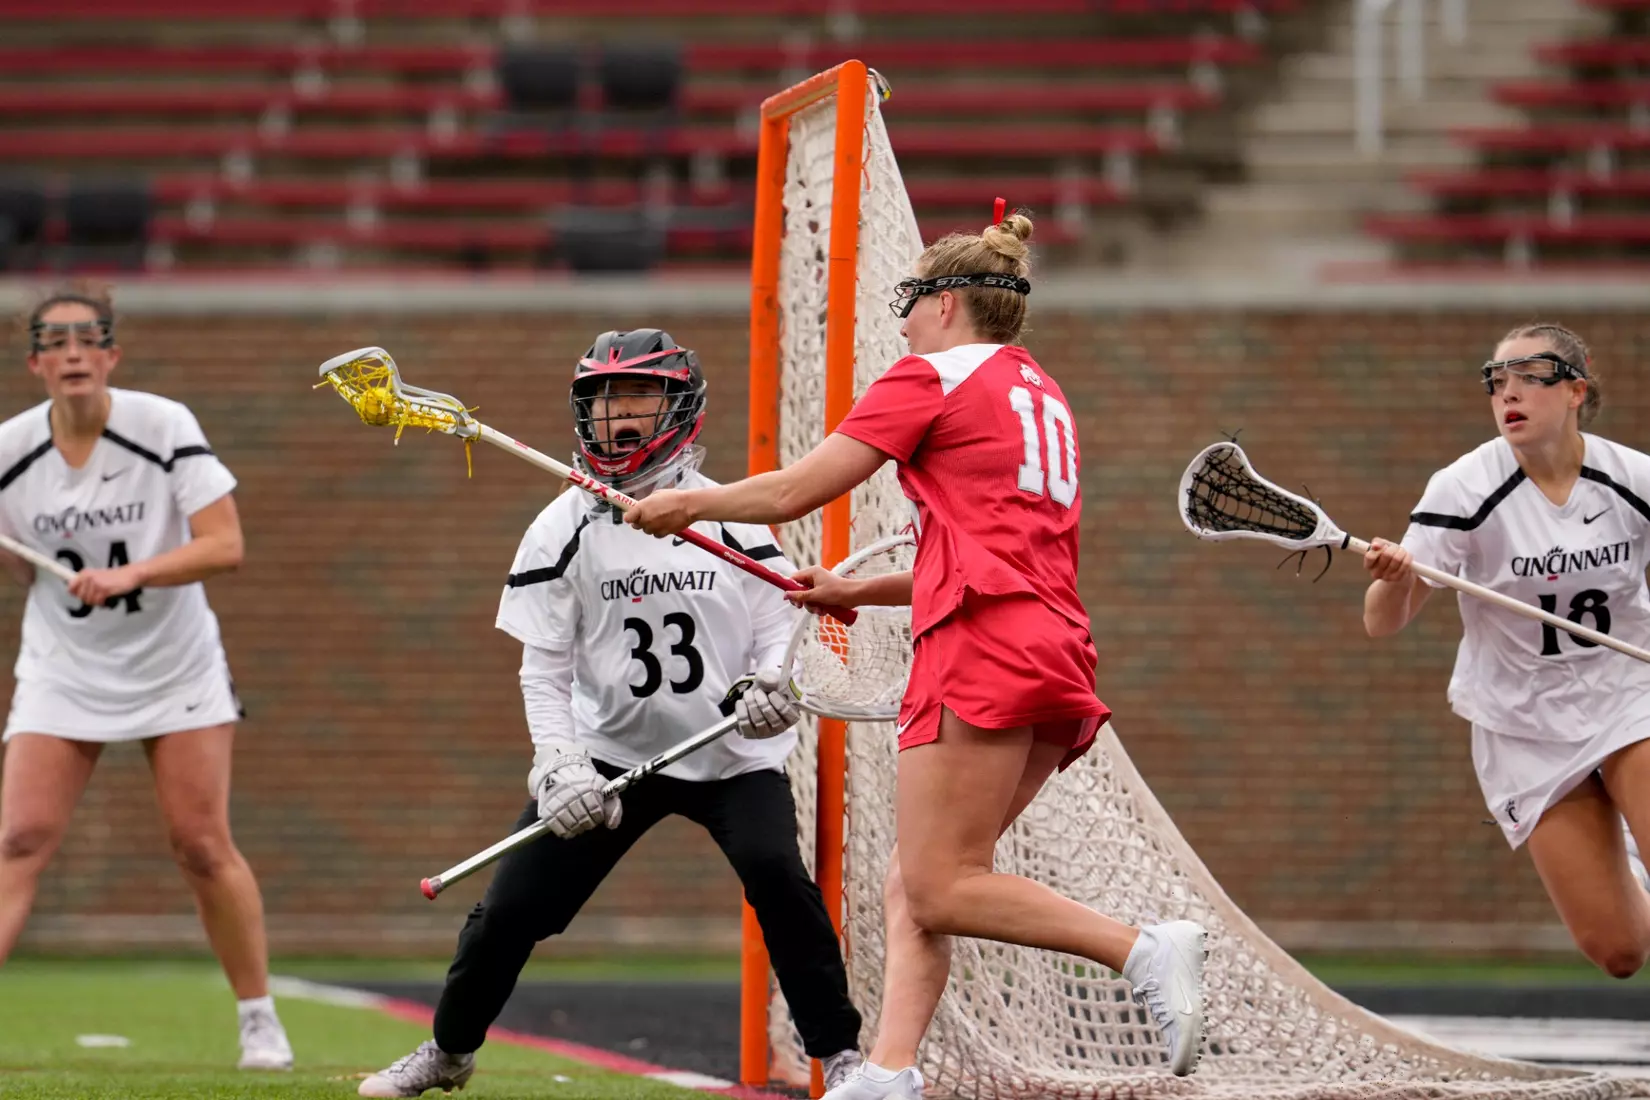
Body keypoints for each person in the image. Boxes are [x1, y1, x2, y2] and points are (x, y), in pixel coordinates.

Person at [625, 216, 1207, 1099]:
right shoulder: (1038, 390)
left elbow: (792, 491)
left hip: (980, 646)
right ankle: (889, 1075)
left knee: (938, 886)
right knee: (917, 879)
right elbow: (986, 549)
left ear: (943, 303)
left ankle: (1139, 949)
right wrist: (857, 594)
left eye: (909, 308)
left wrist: (684, 506)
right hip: (1051, 643)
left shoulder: (930, 374)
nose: (899, 328)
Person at [360, 329, 864, 1098]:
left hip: (729, 755)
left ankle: (848, 1061)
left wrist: (773, 686)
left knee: (777, 878)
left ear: (680, 408)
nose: (617, 416)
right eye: (603, 400)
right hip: (609, 757)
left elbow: (779, 623)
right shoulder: (560, 529)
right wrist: (558, 763)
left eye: (637, 396)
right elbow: (546, 668)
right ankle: (448, 1051)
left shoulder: (730, 517)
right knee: (510, 910)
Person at [0, 285, 291, 1070]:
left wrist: (134, 577)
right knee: (18, 839)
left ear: (110, 354)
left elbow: (224, 544)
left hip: (175, 666)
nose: (71, 354)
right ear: (34, 361)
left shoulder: (162, 425)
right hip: (65, 669)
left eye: (87, 339)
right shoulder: (10, 450)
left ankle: (259, 1019)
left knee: (200, 844)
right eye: (53, 342)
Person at [1363, 322, 1650, 979]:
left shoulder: (1631, 478)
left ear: (1576, 390)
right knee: (1620, 950)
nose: (1508, 393)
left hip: (1629, 697)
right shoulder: (1464, 489)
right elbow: (1383, 623)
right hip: (1524, 722)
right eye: (1497, 379)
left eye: (1530, 376)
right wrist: (1397, 580)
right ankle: (1624, 856)